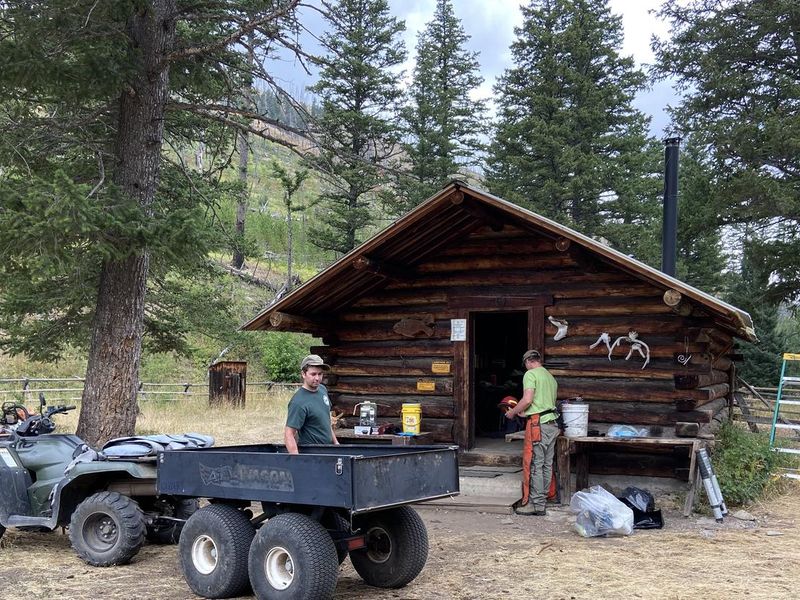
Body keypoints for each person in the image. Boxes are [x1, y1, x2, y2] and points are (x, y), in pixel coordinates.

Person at [504, 349, 559, 516]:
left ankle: (536, 505)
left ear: (528, 362)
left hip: (538, 426)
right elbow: (541, 403)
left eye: (525, 364)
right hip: (552, 424)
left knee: (535, 465)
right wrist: (525, 412)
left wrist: (513, 413)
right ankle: (544, 499)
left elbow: (528, 399)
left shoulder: (530, 374)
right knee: (546, 465)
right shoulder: (550, 377)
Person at [284, 354, 340, 454]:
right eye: (313, 374)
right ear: (303, 374)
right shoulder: (298, 402)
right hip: (312, 453)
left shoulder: (322, 390)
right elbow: (289, 434)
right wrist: (296, 460)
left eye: (320, 374)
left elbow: (326, 421)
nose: (317, 378)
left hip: (329, 450)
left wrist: (336, 444)